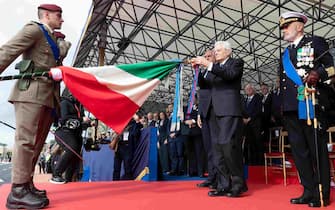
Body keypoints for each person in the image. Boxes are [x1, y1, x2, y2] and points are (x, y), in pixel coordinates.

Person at [0, 4, 69, 209]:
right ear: (46, 15)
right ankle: (18, 191)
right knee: (26, 141)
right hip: (30, 93)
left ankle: (27, 184)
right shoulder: (34, 29)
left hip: (47, 96)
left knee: (37, 144)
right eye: (58, 15)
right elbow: (8, 50)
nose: (62, 19)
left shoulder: (52, 38)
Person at [279, 11, 335, 207]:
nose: (283, 30)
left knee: (316, 150)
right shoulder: (285, 54)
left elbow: (331, 67)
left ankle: (322, 195)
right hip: (291, 108)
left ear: (300, 26)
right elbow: (283, 84)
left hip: (311, 105)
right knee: (300, 153)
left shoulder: (315, 42)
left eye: (287, 26)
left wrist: (317, 74)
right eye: (282, 27)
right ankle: (308, 191)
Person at [192, 41, 247, 197]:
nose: (215, 53)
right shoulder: (213, 69)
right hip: (214, 112)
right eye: (215, 50)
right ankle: (224, 184)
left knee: (228, 146)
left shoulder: (235, 63)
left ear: (228, 52)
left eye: (218, 50)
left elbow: (229, 75)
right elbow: (205, 85)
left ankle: (238, 184)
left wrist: (208, 64)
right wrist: (198, 71)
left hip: (229, 110)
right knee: (217, 150)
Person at [50, 88, 91, 184]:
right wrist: (81, 119)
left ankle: (68, 178)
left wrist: (89, 123)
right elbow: (64, 119)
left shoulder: (78, 106)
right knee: (72, 147)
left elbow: (80, 122)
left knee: (75, 155)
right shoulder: (64, 103)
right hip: (64, 132)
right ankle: (56, 174)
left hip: (76, 133)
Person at [196, 49, 217, 188]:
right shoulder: (203, 73)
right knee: (208, 147)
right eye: (205, 56)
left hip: (215, 112)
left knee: (216, 147)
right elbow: (201, 94)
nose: (206, 58)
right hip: (204, 113)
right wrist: (199, 113)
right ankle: (211, 176)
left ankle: (219, 178)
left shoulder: (217, 70)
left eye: (209, 56)